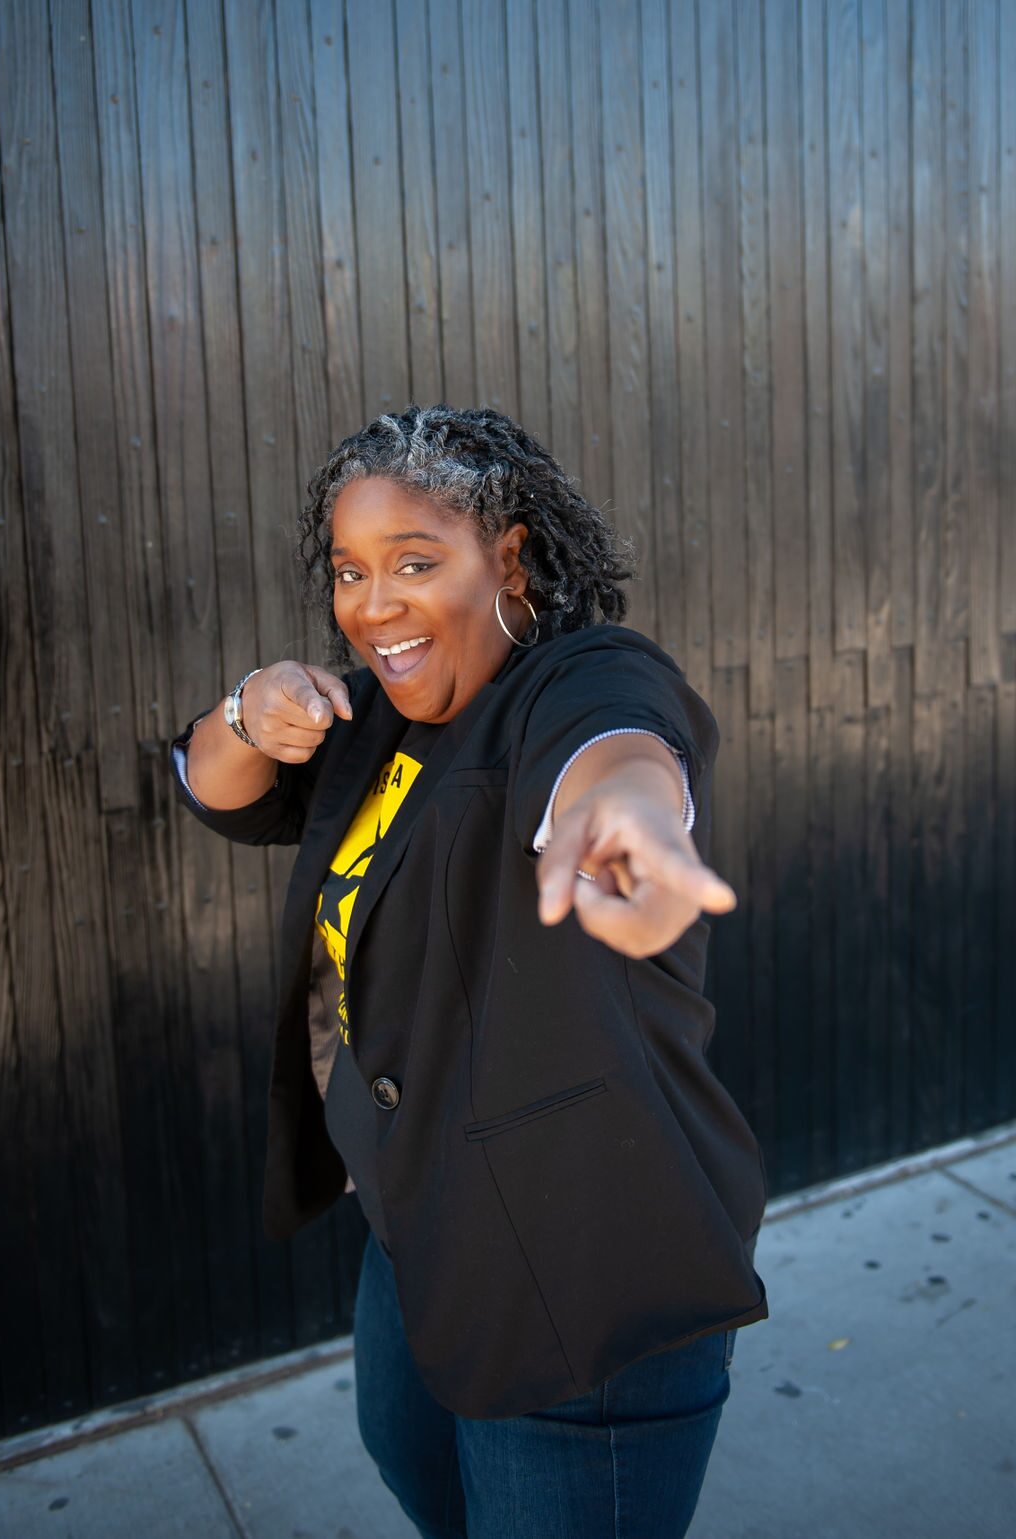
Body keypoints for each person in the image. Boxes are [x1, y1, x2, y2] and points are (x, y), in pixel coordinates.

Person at [171, 404, 769, 1539]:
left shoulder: (576, 678)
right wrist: (249, 710)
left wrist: (629, 821)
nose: (372, 605)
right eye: (350, 571)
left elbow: (618, 743)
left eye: (413, 562)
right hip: (420, 1224)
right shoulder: (373, 722)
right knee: (412, 1463)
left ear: (511, 558)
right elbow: (216, 790)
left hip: (580, 1265)